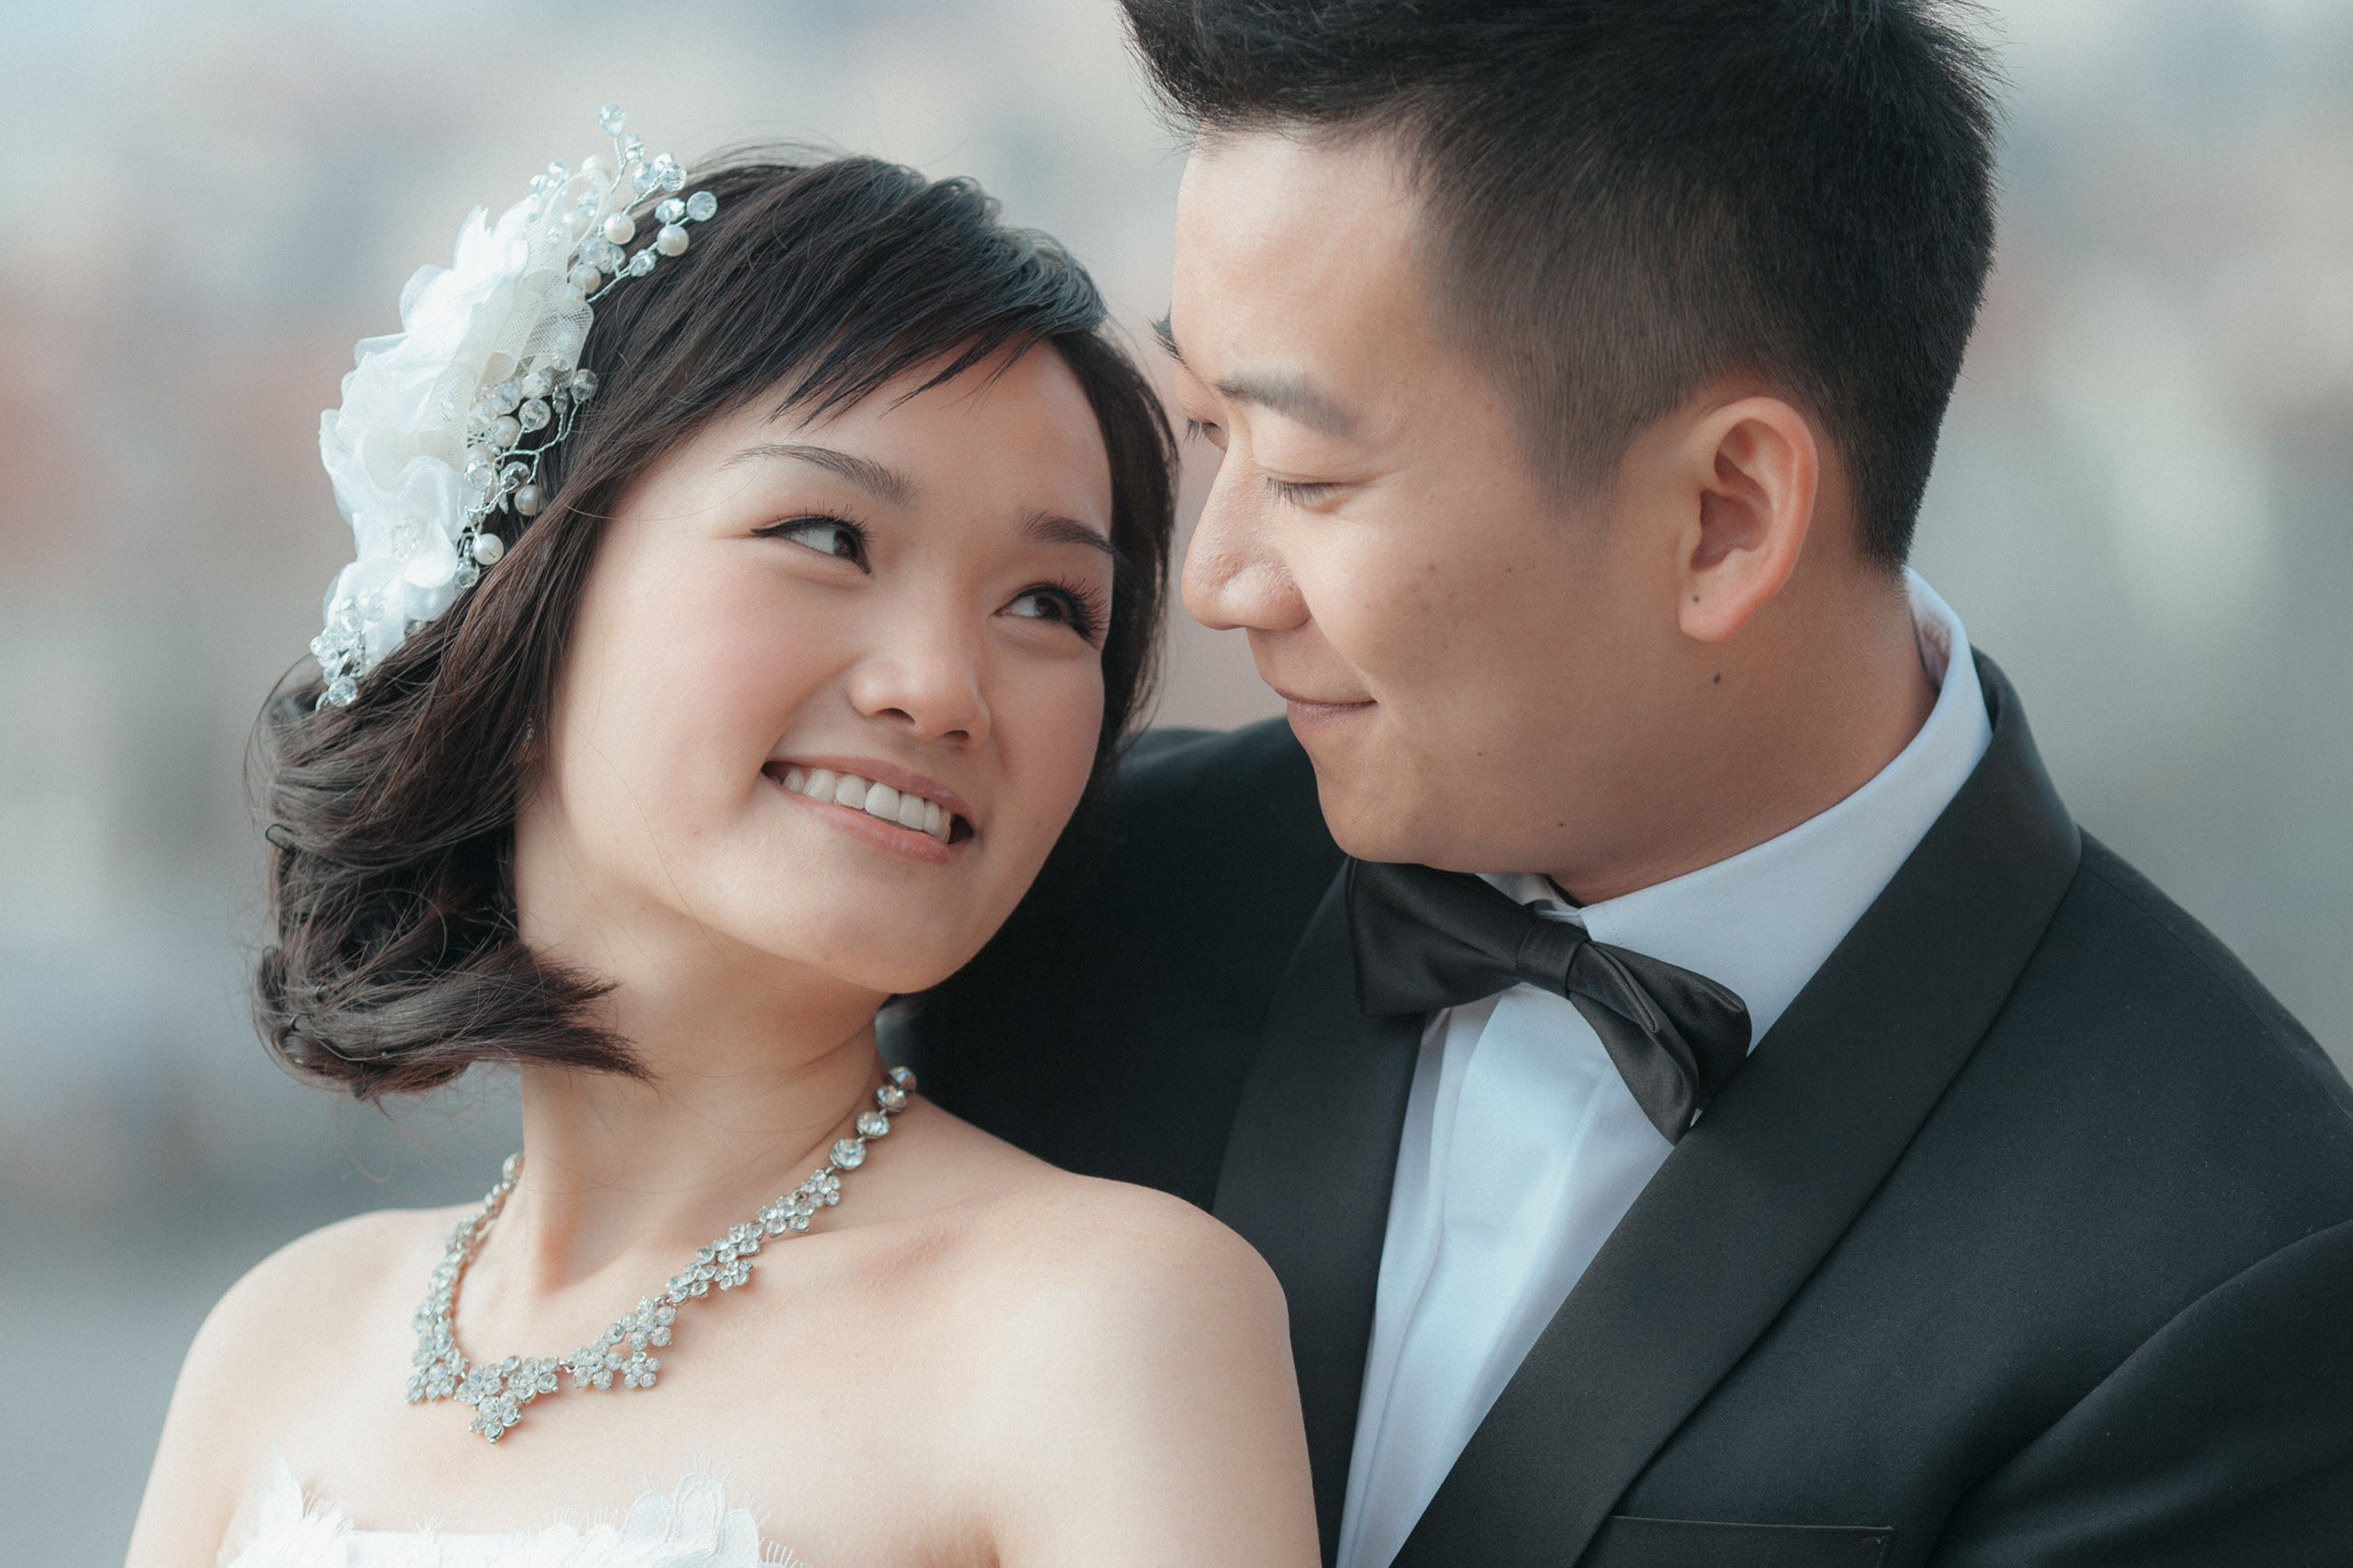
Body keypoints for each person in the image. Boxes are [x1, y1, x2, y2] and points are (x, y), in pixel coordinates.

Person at [893, 4, 2353, 1565]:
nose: (1221, 580)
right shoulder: (1075, 903)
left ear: (1727, 514)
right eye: (1208, 433)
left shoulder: (2225, 1262)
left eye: (1311, 476)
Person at [127, 122, 1321, 1567]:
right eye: (827, 536)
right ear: (524, 596)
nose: (939, 687)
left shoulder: (1104, 1324)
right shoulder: (282, 1340)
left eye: (1051, 606)